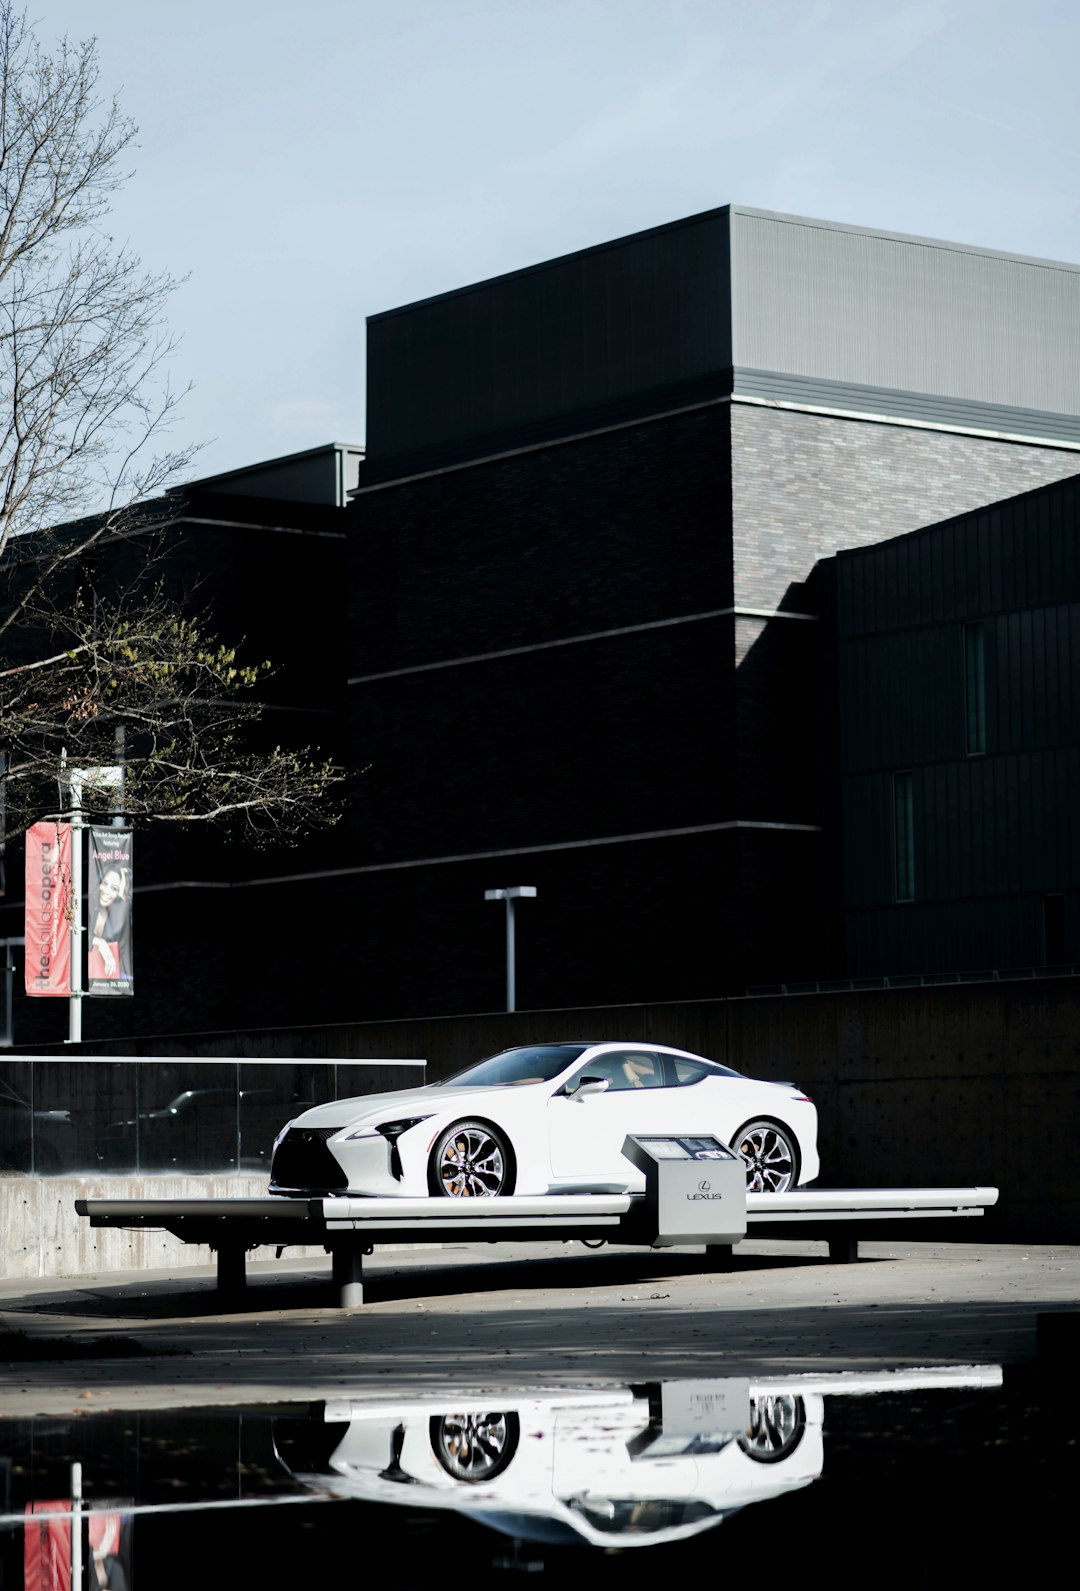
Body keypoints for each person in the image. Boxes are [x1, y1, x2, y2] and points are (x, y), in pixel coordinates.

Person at [89, 864, 132, 980]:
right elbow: (76, 936)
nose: (106, 891)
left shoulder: (118, 917)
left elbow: (111, 935)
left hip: (110, 979)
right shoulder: (88, 908)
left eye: (114, 889)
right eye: (105, 883)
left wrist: (121, 896)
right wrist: (100, 942)